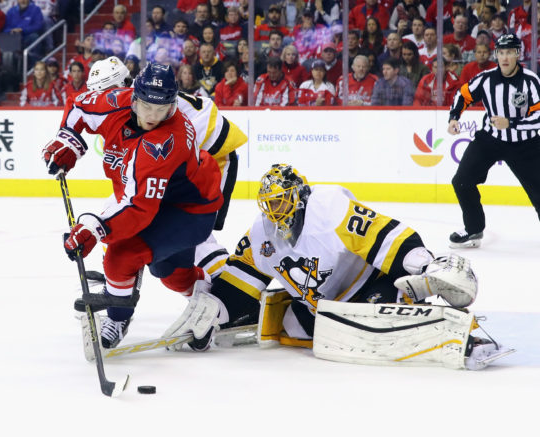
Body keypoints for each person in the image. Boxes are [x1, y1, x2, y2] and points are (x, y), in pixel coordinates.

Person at [161, 163, 511, 370]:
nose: (274, 211)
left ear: (298, 195)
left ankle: (440, 323)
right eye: (269, 204)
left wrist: (424, 264)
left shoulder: (328, 207)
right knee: (291, 325)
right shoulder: (261, 233)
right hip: (324, 307)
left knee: (380, 311)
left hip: (370, 285)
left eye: (281, 201)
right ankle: (376, 322)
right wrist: (215, 312)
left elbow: (384, 236)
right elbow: (240, 279)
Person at [42, 63, 224, 349]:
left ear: (172, 105)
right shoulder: (116, 101)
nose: (153, 116)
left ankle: (118, 316)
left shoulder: (164, 141)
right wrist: (69, 140)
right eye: (147, 107)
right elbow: (78, 106)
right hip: (156, 200)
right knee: (171, 275)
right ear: (134, 98)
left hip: (189, 210)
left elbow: (139, 210)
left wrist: (94, 228)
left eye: (161, 109)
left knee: (122, 255)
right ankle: (210, 295)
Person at [84, 56, 247, 297]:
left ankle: (230, 293)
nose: (103, 100)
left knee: (189, 231)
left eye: (107, 92)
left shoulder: (154, 104)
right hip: (190, 162)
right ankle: (125, 275)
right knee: (129, 214)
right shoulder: (130, 109)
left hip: (214, 158)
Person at [447, 34, 540, 248]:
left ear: (518, 54)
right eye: (501, 52)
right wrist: (454, 117)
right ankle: (473, 229)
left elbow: (539, 117)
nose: (505, 57)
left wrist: (511, 123)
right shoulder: (486, 78)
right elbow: (463, 95)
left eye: (510, 52)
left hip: (526, 144)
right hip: (490, 139)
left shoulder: (531, 81)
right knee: (462, 181)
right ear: (496, 54)